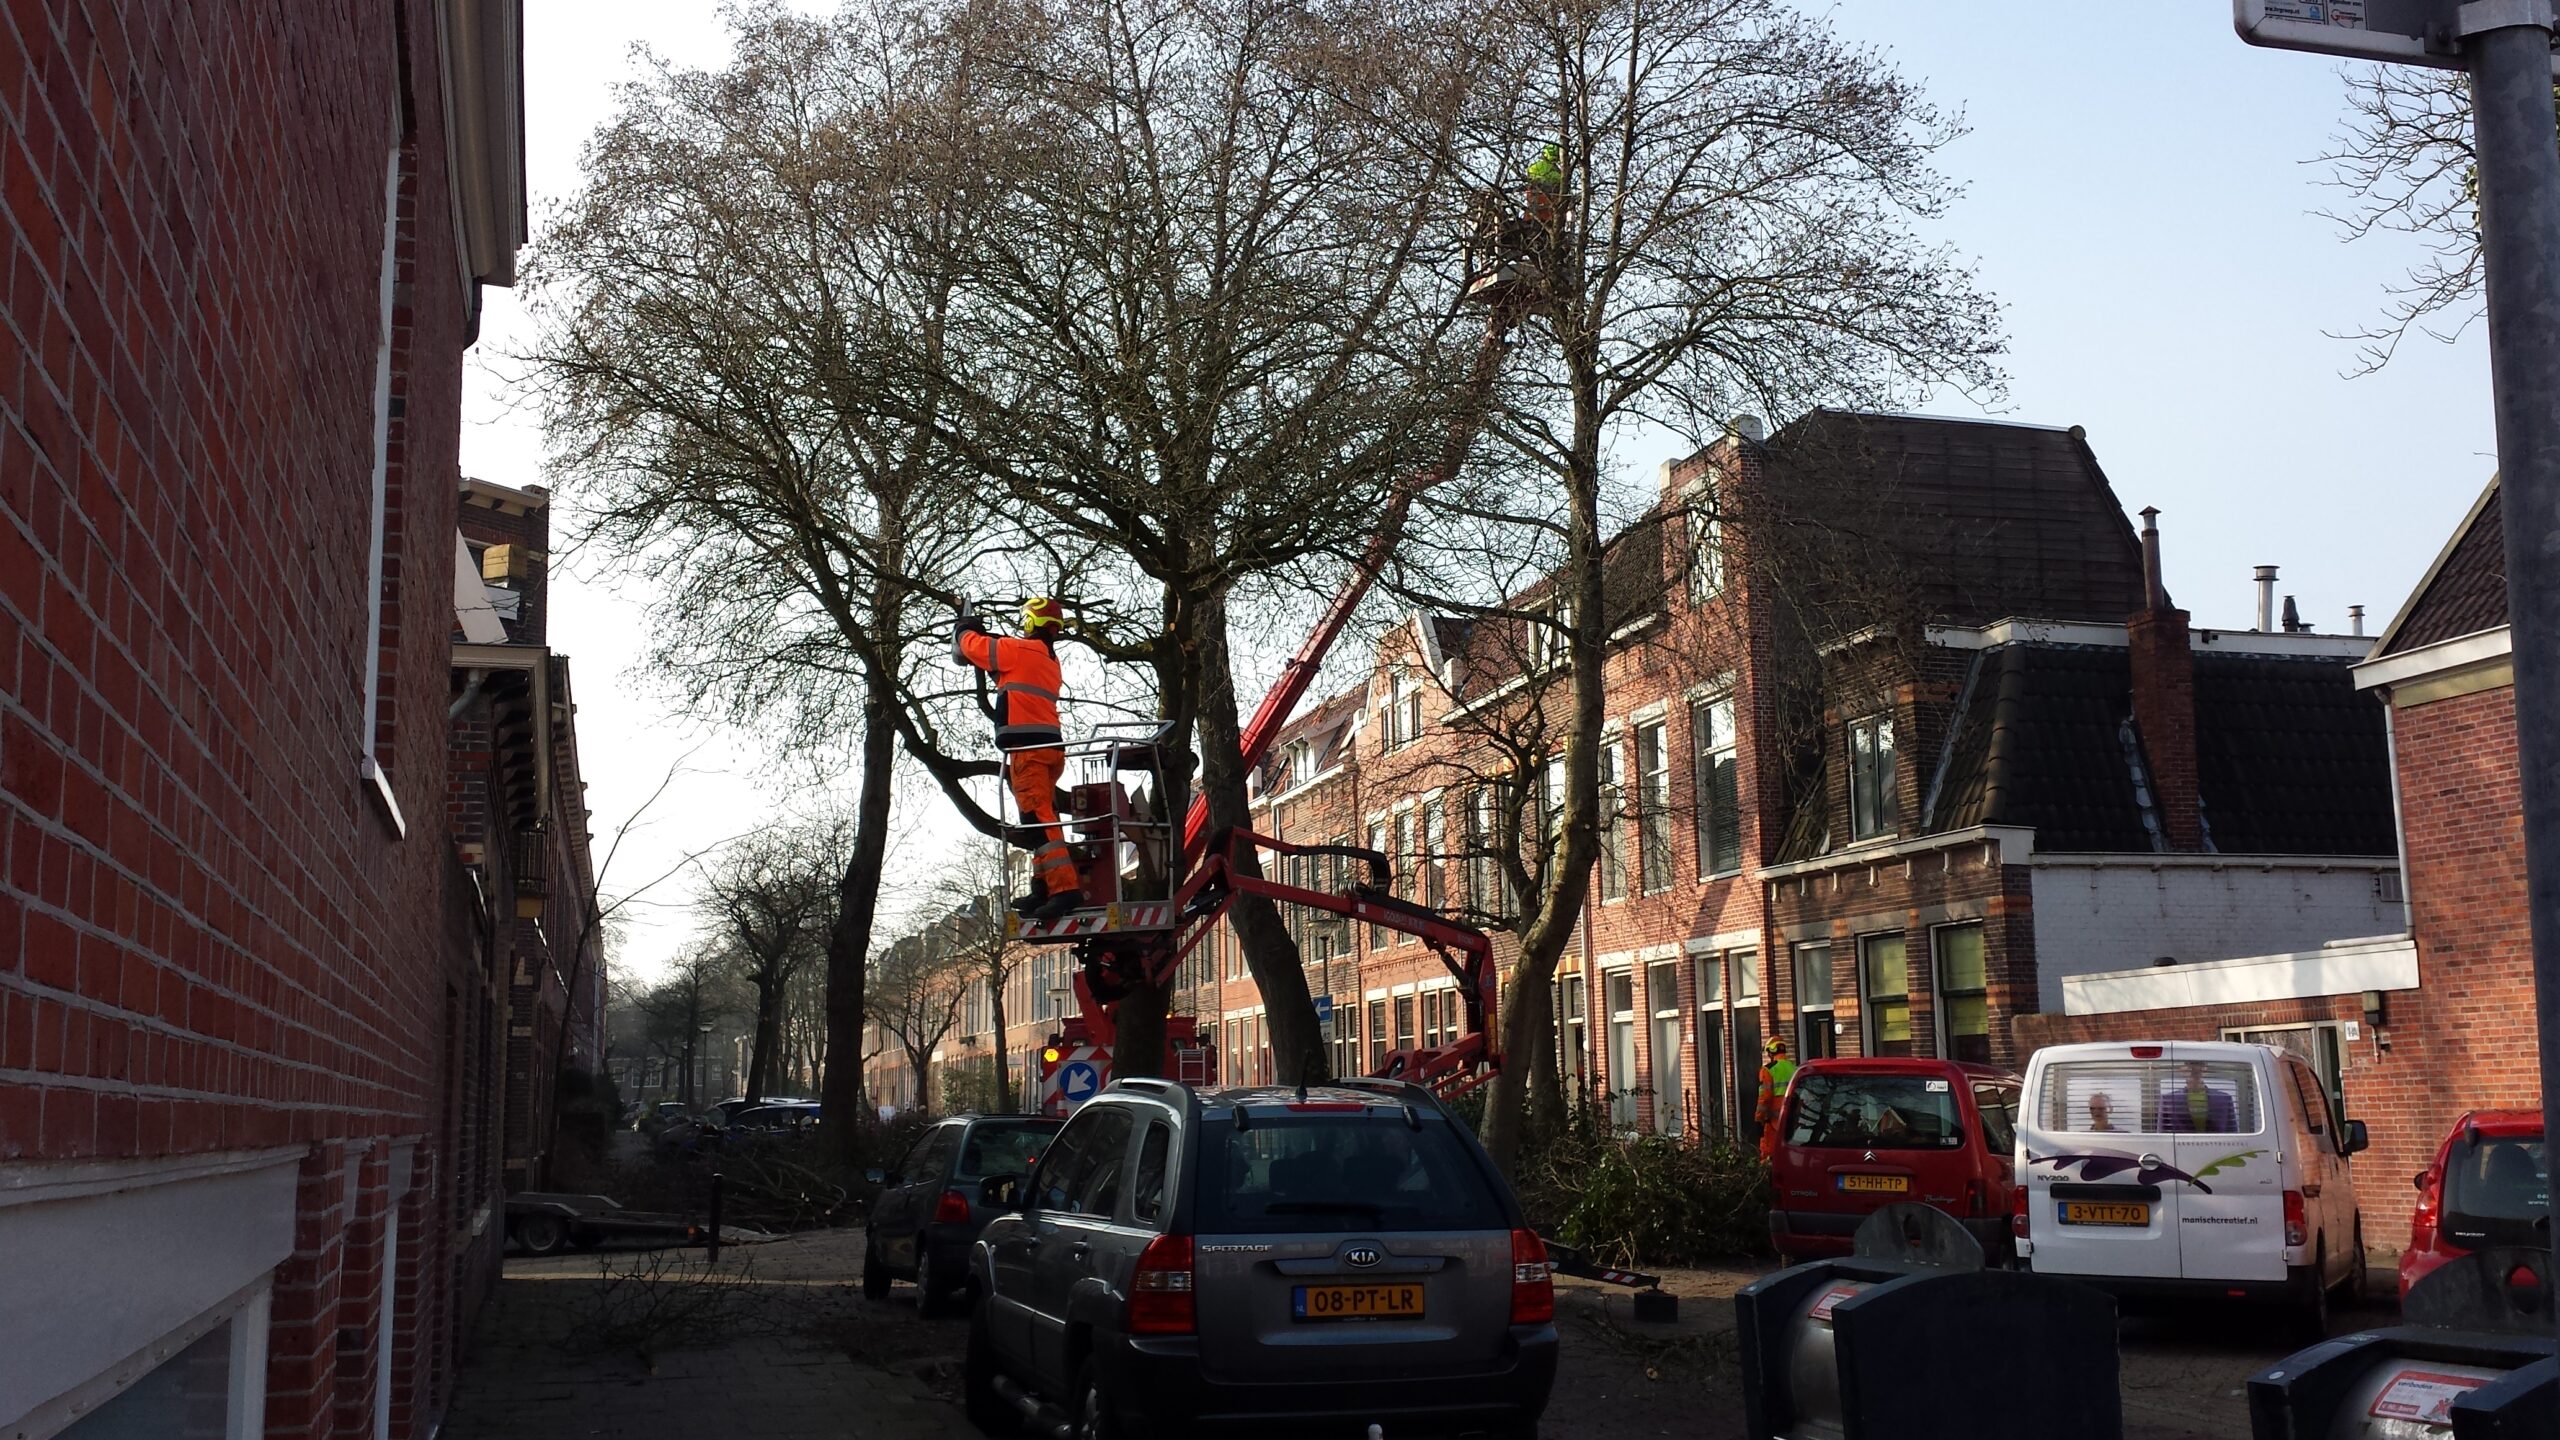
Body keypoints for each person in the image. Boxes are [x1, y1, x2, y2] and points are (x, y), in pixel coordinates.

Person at [957, 596, 1085, 918]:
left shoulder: (1018, 650)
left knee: (1038, 820)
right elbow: (1006, 676)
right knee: (1041, 818)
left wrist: (964, 629)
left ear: (1030, 622)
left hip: (1028, 752)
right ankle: (1043, 888)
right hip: (1049, 749)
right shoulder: (1047, 660)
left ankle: (1065, 889)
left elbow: (975, 647)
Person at [2156, 1062, 2238, 1134]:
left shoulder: (2224, 1099)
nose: (2194, 1069)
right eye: (2190, 1065)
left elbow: (2233, 1133)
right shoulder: (2168, 1100)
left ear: (2205, 1069)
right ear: (2182, 1070)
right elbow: (2162, 1134)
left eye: (2198, 1064)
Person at [1754, 1036, 1798, 1161]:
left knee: (1769, 1155)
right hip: (1792, 1121)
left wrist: (1759, 1117)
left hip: (1773, 1122)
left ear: (1771, 1052)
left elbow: (1765, 1098)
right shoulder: (1795, 1069)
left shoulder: (1768, 1070)